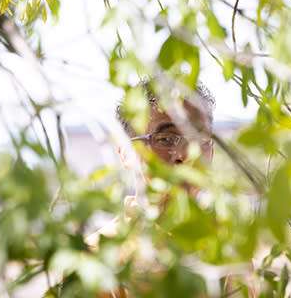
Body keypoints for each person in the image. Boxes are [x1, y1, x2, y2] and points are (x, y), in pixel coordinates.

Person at [84, 80, 233, 298]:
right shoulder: (97, 258)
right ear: (126, 153)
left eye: (199, 139)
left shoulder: (231, 249)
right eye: (166, 139)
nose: (185, 155)